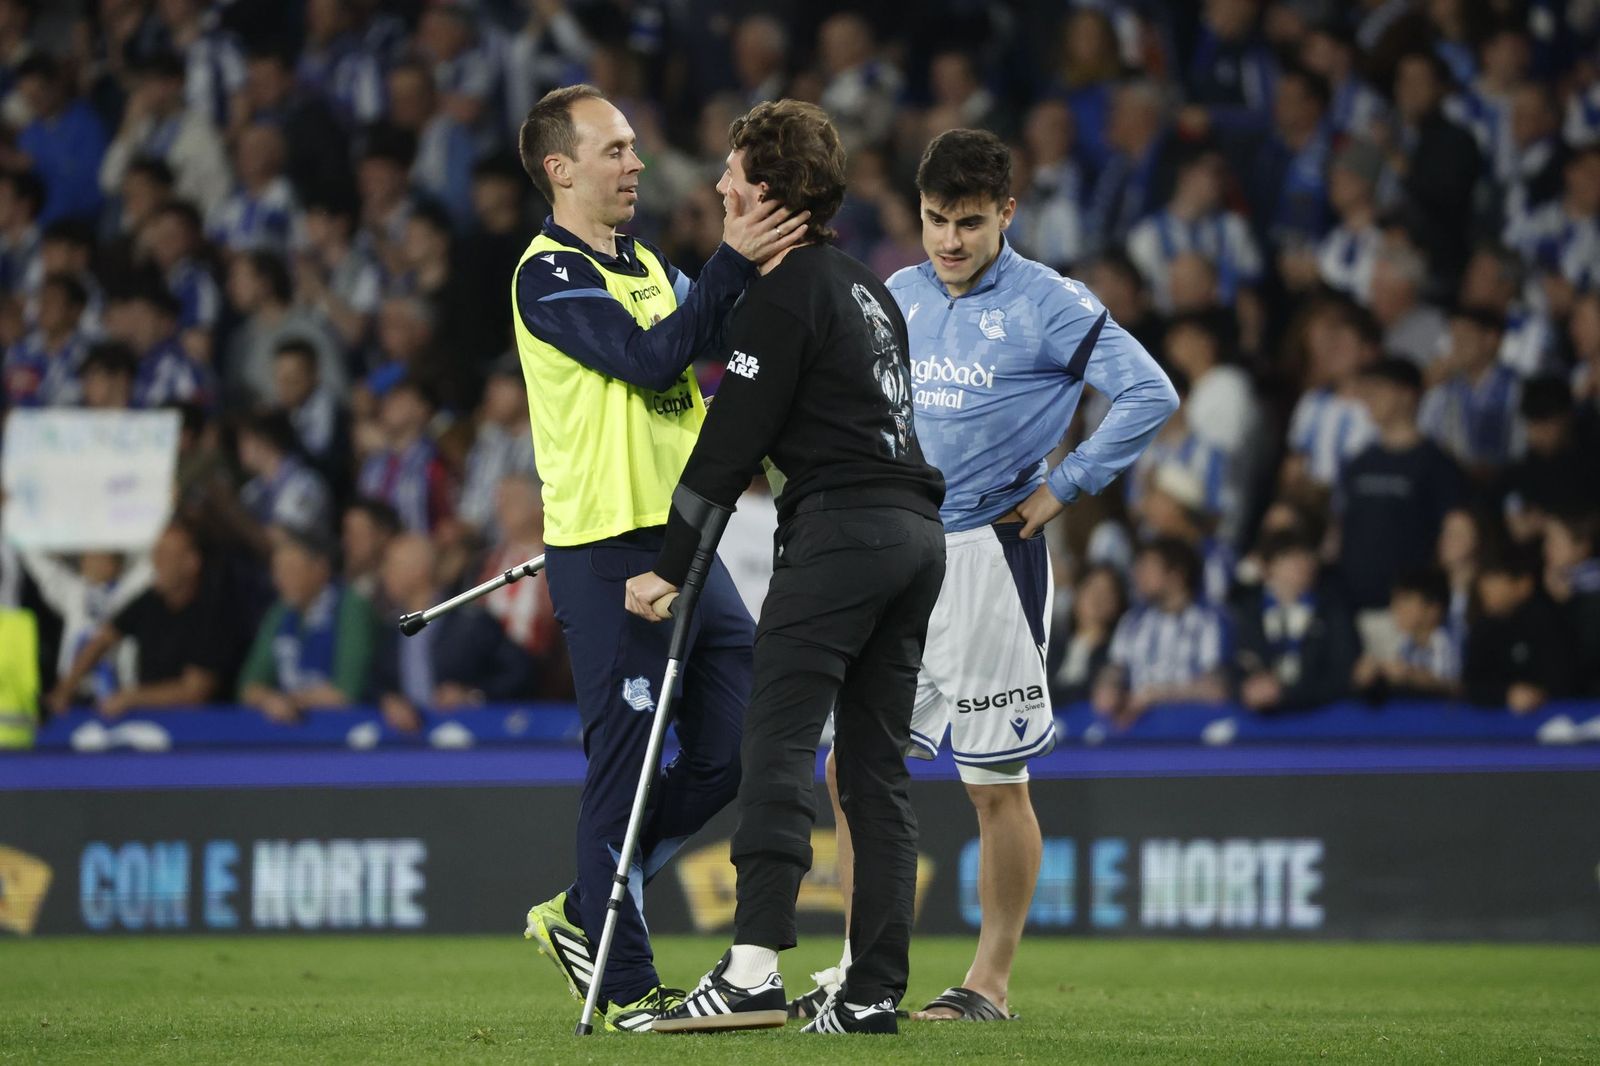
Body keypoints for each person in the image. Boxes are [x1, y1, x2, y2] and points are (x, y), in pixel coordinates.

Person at [792, 127, 1172, 1026]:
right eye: (933, 220)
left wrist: (1064, 486)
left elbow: (1149, 391)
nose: (949, 241)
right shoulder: (898, 290)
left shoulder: (1051, 302)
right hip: (897, 551)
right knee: (854, 765)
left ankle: (988, 984)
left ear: (1007, 212)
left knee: (994, 782)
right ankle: (858, 966)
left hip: (988, 560)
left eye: (968, 222)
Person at [624, 99, 946, 1037]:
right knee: (875, 769)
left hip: (843, 533)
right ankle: (872, 989)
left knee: (776, 737)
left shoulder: (781, 294)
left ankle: (754, 965)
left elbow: (727, 450)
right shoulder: (868, 286)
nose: (718, 188)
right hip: (914, 536)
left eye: (731, 176)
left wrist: (668, 568)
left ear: (764, 195)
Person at [509, 84, 806, 1033]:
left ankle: (588, 903)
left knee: (736, 747)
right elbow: (646, 359)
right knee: (626, 764)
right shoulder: (546, 276)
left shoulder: (644, 263)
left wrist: (769, 261)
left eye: (635, 147)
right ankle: (628, 984)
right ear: (561, 168)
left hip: (687, 545)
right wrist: (726, 265)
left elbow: (713, 333)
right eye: (616, 149)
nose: (637, 163)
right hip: (606, 552)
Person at [47, 521, 227, 716]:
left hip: (200, 732)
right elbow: (104, 639)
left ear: (191, 563)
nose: (156, 563)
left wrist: (131, 698)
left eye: (166, 556)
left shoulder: (212, 614)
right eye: (156, 553)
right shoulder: (151, 601)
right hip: (149, 722)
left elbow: (194, 691)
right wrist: (64, 689)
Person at [237, 525, 378, 723]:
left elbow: (347, 693)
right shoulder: (279, 613)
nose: (281, 581)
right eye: (277, 571)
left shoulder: (350, 607)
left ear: (320, 568)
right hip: (291, 731)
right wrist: (270, 700)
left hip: (347, 731)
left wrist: (291, 701)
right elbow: (248, 687)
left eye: (291, 570)